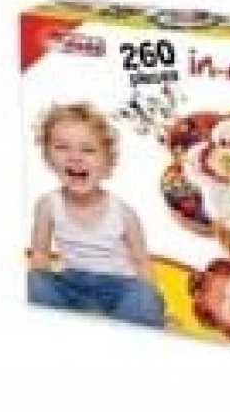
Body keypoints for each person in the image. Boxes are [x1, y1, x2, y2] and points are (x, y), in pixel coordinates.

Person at [27, 102, 165, 327]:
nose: (75, 157)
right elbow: (40, 254)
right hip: (71, 283)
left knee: (144, 297)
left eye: (88, 150)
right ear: (47, 157)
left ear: (107, 162)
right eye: (62, 147)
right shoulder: (47, 205)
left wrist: (150, 297)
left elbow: (142, 262)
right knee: (33, 281)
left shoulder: (124, 214)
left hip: (120, 287)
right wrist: (40, 289)